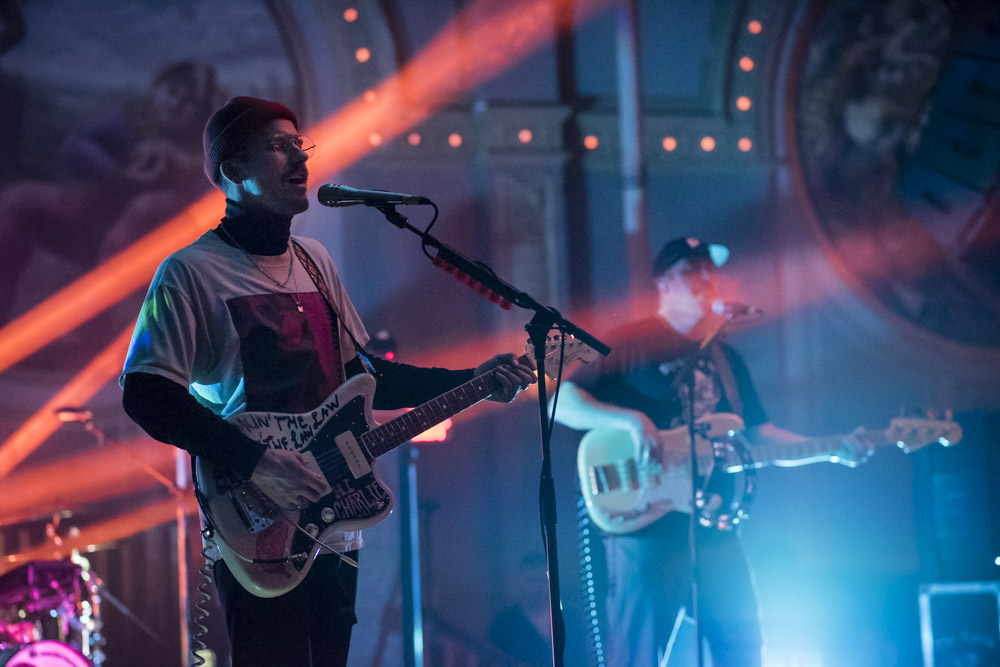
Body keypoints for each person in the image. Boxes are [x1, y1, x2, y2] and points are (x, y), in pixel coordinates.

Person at [119, 96, 536, 667]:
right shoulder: (190, 271)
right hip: (256, 513)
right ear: (232, 170)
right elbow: (146, 393)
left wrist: (473, 378)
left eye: (300, 144)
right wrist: (256, 460)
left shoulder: (315, 261)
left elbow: (365, 379)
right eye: (277, 145)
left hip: (335, 512)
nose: (300, 157)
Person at [552, 237, 813, 667]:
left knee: (744, 649)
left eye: (708, 270)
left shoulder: (726, 356)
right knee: (639, 655)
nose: (706, 278)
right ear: (664, 284)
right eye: (691, 271)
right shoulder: (629, 341)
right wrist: (629, 421)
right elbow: (560, 400)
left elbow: (759, 437)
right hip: (648, 524)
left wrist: (837, 448)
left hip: (715, 520)